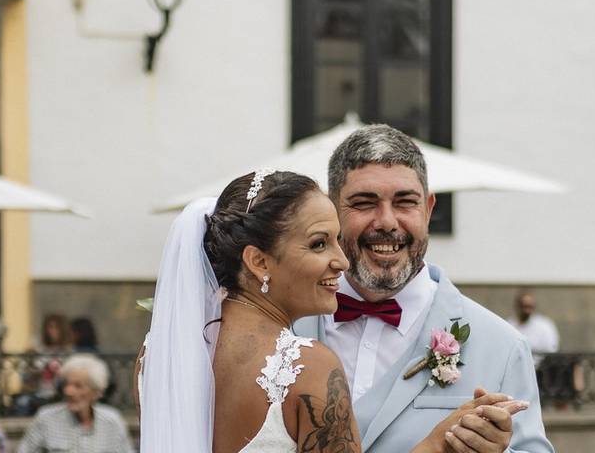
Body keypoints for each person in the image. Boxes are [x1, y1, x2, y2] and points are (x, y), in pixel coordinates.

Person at [139, 170, 519, 452]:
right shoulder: (307, 367)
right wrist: (437, 444)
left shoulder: (157, 354)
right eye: (319, 244)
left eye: (337, 240)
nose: (341, 260)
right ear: (258, 261)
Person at [294, 124, 553, 452]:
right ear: (331, 211)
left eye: (405, 202)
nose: (387, 222)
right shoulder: (284, 328)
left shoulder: (503, 346)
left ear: (428, 209)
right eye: (364, 202)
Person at [18, 353, 133, 453]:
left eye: (78, 386)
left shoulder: (112, 421)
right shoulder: (46, 419)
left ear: (96, 392)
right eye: (67, 384)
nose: (69, 391)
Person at [507, 291, 560, 365]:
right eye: (524, 306)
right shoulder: (509, 325)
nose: (526, 310)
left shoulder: (545, 325)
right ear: (517, 306)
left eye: (530, 306)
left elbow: (551, 350)